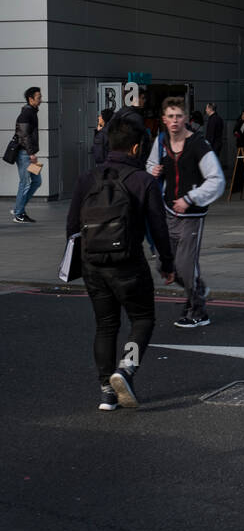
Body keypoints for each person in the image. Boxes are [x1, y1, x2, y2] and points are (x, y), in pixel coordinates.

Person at [66, 113, 175, 411]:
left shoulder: (86, 178)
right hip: (129, 265)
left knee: (105, 325)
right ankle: (126, 369)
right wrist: (167, 264)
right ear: (137, 147)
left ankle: (106, 393)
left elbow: (72, 227)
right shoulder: (143, 181)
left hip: (93, 265)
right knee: (142, 320)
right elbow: (158, 229)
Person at [147, 96, 225, 329]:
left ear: (186, 119)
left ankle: (198, 312)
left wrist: (191, 199)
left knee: (185, 266)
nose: (174, 121)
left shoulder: (199, 145)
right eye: (170, 116)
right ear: (164, 119)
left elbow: (216, 180)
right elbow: (149, 165)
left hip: (192, 216)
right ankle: (197, 289)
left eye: (178, 116)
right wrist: (154, 170)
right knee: (164, 264)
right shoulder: (161, 142)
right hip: (167, 212)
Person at [10, 86, 42, 224]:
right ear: (30, 99)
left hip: (28, 153)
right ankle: (19, 213)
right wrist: (30, 153)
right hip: (24, 154)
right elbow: (23, 135)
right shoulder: (26, 114)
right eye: (38, 97)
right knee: (25, 183)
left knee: (36, 181)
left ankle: (19, 207)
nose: (41, 100)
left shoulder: (32, 112)